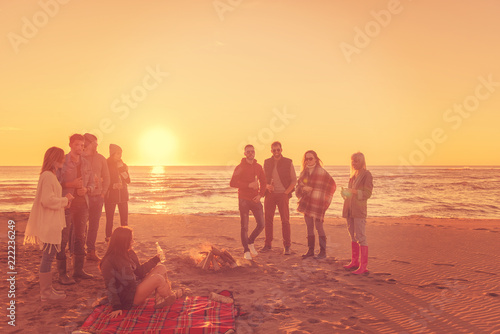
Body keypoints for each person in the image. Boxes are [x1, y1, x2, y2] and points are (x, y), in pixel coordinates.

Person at [24, 147, 75, 301]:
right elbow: (46, 200)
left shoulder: (49, 175)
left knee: (49, 255)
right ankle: (45, 293)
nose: (63, 160)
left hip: (52, 221)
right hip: (49, 222)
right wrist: (65, 200)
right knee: (48, 257)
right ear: (54, 159)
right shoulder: (47, 176)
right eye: (60, 157)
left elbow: (50, 198)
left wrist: (64, 201)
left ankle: (48, 289)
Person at [99, 226, 183, 316]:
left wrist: (155, 260)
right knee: (158, 278)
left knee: (161, 268)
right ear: (123, 241)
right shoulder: (109, 261)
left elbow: (139, 272)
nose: (133, 242)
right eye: (131, 240)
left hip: (136, 286)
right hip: (128, 298)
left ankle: (162, 298)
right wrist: (116, 307)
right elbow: (110, 285)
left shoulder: (129, 252)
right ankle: (169, 296)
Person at [57, 134, 95, 283]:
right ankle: (62, 274)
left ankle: (78, 271)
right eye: (77, 144)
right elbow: (56, 183)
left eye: (82, 145)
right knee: (63, 238)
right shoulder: (63, 162)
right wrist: (71, 185)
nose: (80, 148)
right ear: (70, 144)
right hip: (66, 204)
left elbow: (92, 183)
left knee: (80, 237)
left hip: (82, 204)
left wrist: (87, 190)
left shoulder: (86, 163)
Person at [296, 150, 336, 259]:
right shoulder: (303, 172)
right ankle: (310, 251)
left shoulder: (321, 172)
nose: (308, 161)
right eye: (306, 159)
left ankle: (323, 252)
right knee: (309, 227)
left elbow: (332, 185)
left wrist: (324, 200)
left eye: (311, 158)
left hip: (318, 204)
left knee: (319, 227)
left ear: (316, 159)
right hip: (307, 203)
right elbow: (298, 187)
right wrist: (304, 188)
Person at [230, 144, 266, 260]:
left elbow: (264, 183)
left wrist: (260, 195)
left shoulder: (259, 167)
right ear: (245, 153)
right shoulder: (239, 167)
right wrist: (248, 185)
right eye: (248, 152)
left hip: (255, 199)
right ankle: (246, 250)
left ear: (255, 153)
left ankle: (250, 242)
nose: (251, 153)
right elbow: (232, 183)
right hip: (243, 199)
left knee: (261, 224)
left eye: (252, 151)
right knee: (244, 226)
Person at [262, 141, 297, 255]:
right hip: (270, 195)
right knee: (268, 220)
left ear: (281, 150)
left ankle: (287, 246)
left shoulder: (288, 162)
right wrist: (267, 186)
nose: (276, 152)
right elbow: (262, 180)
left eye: (278, 149)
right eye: (274, 150)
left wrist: (286, 193)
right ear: (271, 151)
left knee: (285, 221)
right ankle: (268, 245)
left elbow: (294, 180)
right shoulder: (267, 162)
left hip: (283, 194)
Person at [341, 152, 373, 274]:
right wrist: (345, 193)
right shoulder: (353, 175)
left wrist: (353, 191)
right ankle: (355, 262)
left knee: (361, 236)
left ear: (362, 162)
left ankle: (363, 266)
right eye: (352, 161)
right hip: (349, 209)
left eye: (356, 161)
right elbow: (351, 193)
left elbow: (367, 194)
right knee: (353, 236)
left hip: (359, 210)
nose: (354, 163)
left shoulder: (366, 175)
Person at [83, 133, 110, 262]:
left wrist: (103, 193)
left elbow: (107, 177)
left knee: (94, 225)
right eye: (94, 142)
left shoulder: (101, 158)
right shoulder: (80, 157)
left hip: (98, 197)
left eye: (96, 142)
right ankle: (76, 251)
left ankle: (91, 251)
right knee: (80, 225)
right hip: (83, 197)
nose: (96, 144)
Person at [105, 144, 130, 242]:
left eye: (121, 153)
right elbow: (104, 180)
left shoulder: (123, 165)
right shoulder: (106, 164)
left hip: (123, 195)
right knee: (109, 219)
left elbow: (128, 180)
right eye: (118, 153)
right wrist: (113, 186)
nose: (120, 156)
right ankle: (108, 237)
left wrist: (122, 169)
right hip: (110, 195)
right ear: (112, 153)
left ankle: (125, 238)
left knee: (124, 218)